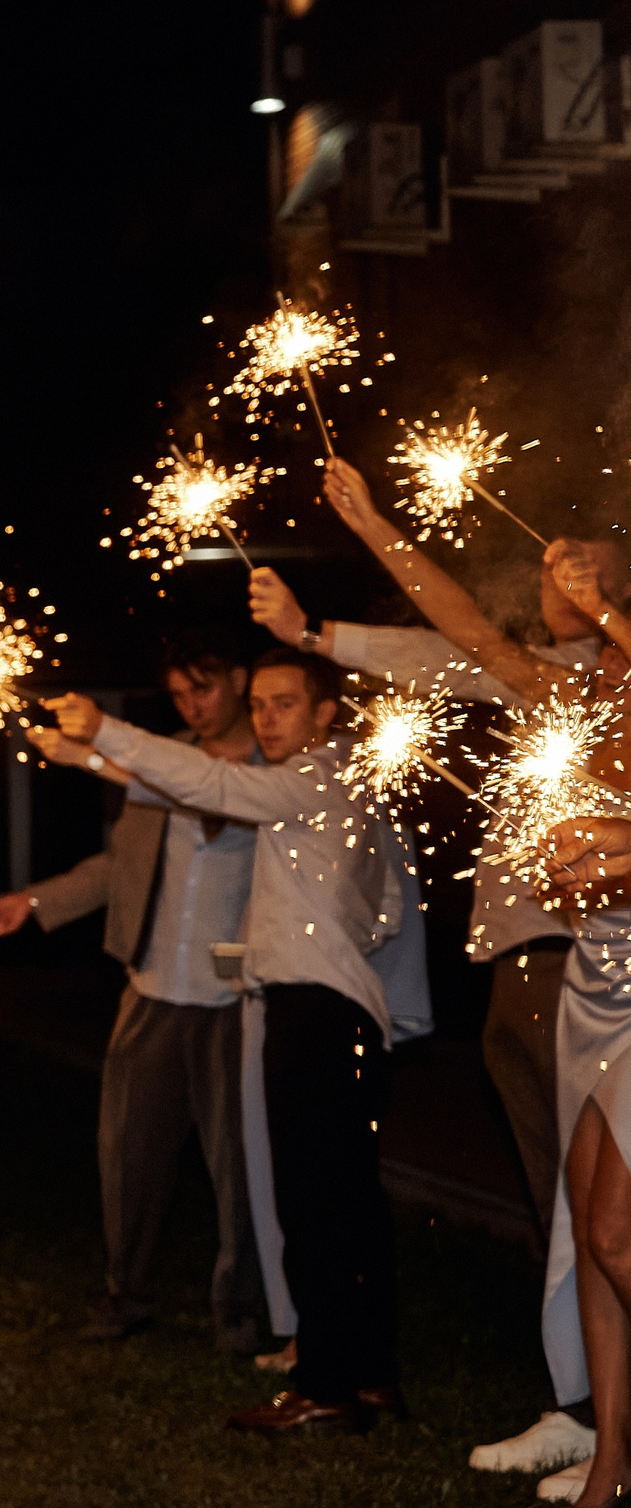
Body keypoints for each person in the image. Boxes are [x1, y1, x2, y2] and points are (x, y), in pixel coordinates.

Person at [251, 532, 628, 1483]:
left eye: (582, 567)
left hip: (613, 980)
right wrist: (370, 528)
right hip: (582, 971)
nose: (557, 573)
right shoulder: (574, 691)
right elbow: (456, 638)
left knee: (614, 1225)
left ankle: (594, 1421)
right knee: (583, 1224)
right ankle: (599, 1433)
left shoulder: (603, 666)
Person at [42, 644, 432, 1436]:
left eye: (285, 703)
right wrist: (93, 756)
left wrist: (107, 733)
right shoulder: (343, 783)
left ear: (326, 713)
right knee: (351, 1203)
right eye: (259, 705)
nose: (266, 718)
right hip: (344, 1010)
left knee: (314, 1204)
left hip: (315, 1012)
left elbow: (213, 783)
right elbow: (203, 795)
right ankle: (370, 1373)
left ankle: (323, 1386)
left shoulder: (311, 779)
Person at [0, 625, 265, 1351]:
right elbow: (117, 866)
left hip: (237, 1001)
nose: (193, 707)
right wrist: (38, 902)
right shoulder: (154, 762)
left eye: (203, 688)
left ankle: (239, 1310)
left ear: (237, 678)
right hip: (151, 988)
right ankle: (124, 1294)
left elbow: (214, 805)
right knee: (128, 1157)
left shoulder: (272, 770)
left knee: (238, 1167)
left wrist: (96, 751)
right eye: (178, 695)